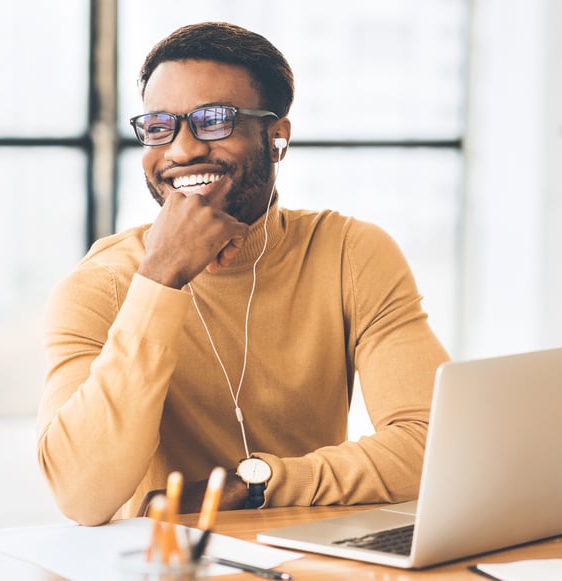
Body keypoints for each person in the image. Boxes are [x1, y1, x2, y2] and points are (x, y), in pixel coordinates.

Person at [36, 21, 450, 526]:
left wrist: (252, 486)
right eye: (160, 125)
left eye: (215, 120)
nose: (182, 150)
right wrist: (160, 277)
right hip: (164, 565)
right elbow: (81, 496)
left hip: (313, 557)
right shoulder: (100, 285)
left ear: (277, 136)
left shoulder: (349, 253)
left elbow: (435, 445)